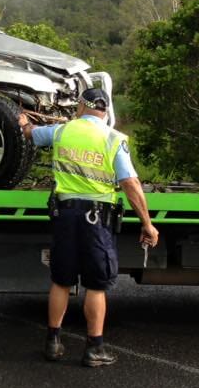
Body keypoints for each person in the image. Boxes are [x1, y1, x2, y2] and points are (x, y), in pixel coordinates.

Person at [19, 88, 159, 368]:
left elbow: (31, 134)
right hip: (97, 221)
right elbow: (130, 184)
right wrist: (147, 223)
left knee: (61, 280)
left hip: (65, 215)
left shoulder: (61, 132)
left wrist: (22, 121)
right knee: (96, 284)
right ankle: (94, 348)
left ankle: (53, 343)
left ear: (82, 107)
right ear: (105, 111)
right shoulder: (113, 139)